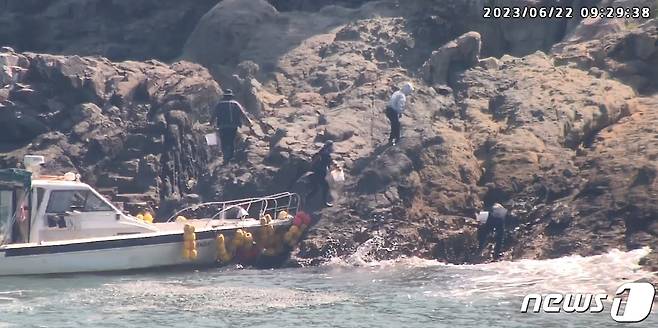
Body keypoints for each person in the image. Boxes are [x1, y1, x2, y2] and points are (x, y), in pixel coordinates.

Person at [213, 89, 254, 164]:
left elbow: (214, 115)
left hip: (222, 126)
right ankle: (230, 157)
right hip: (233, 126)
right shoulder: (235, 104)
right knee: (231, 141)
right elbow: (243, 114)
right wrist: (249, 123)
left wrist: (211, 123)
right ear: (231, 96)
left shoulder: (219, 104)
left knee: (224, 141)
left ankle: (225, 157)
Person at [306, 140, 336, 207]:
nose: (333, 148)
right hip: (319, 173)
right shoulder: (324, 155)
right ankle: (324, 202)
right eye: (332, 146)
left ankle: (306, 200)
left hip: (318, 173)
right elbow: (327, 164)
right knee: (325, 187)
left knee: (316, 189)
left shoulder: (322, 153)